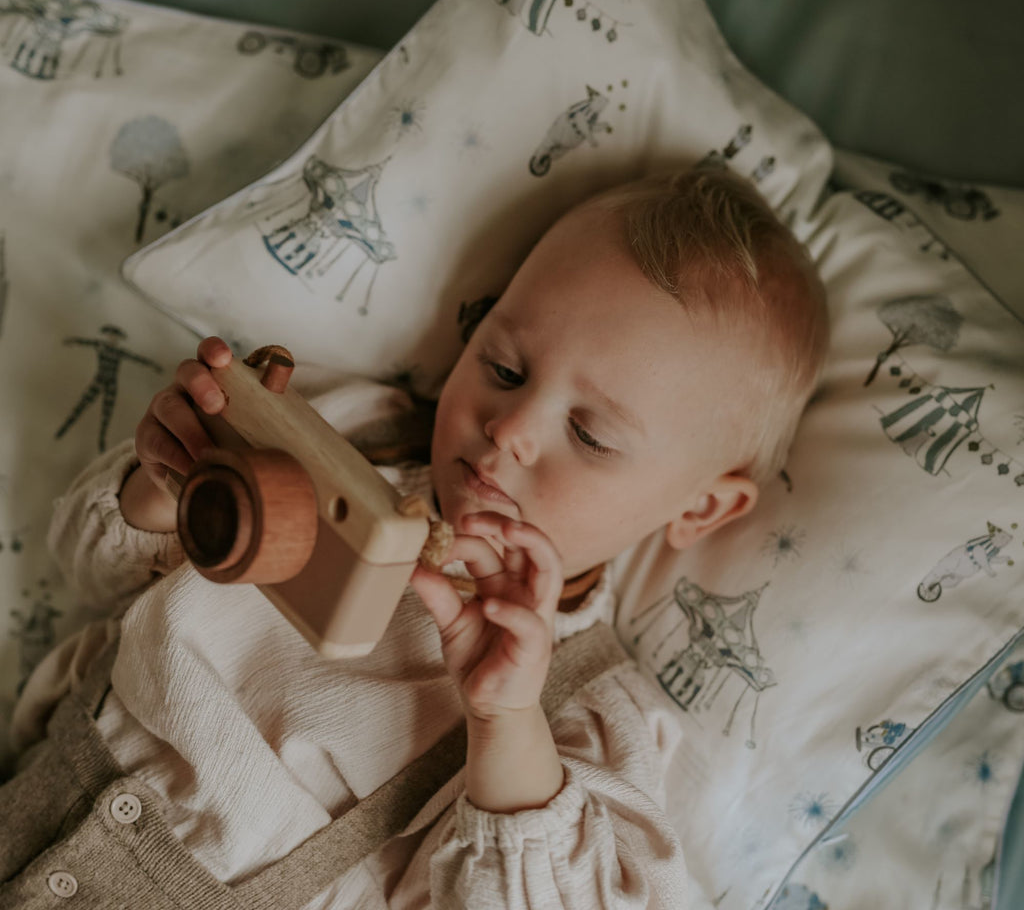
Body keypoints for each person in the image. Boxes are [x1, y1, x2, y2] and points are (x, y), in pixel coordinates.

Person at [1, 166, 828, 908]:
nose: (508, 431)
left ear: (704, 508)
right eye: (504, 369)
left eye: (590, 435)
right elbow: (91, 567)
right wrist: (171, 482)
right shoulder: (347, 436)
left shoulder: (585, 717)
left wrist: (505, 725)